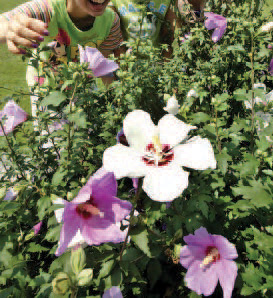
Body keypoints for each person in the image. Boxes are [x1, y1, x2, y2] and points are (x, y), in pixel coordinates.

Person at [0, 0, 123, 122]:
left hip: (84, 90)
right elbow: (4, 21)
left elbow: (105, 68)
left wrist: (116, 105)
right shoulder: (46, 9)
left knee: (90, 137)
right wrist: (9, 27)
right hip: (47, 93)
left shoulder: (110, 21)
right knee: (53, 140)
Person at [109, 0, 206, 57]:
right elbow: (116, 45)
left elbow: (171, 39)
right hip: (128, 63)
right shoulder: (115, 2)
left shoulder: (166, 2)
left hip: (156, 64)